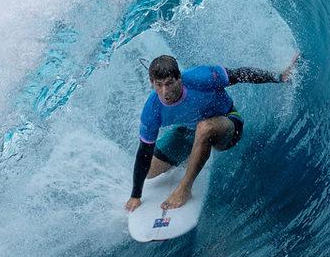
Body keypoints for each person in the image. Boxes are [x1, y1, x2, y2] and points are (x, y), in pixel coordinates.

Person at [125, 53, 300, 212]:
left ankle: (185, 187)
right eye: (159, 85)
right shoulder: (152, 110)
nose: (165, 91)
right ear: (152, 83)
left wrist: (279, 77)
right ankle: (192, 154)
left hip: (227, 122)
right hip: (188, 131)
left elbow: (240, 74)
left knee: (205, 127)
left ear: (179, 78)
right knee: (149, 172)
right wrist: (136, 195)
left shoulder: (201, 78)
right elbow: (144, 153)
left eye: (169, 83)